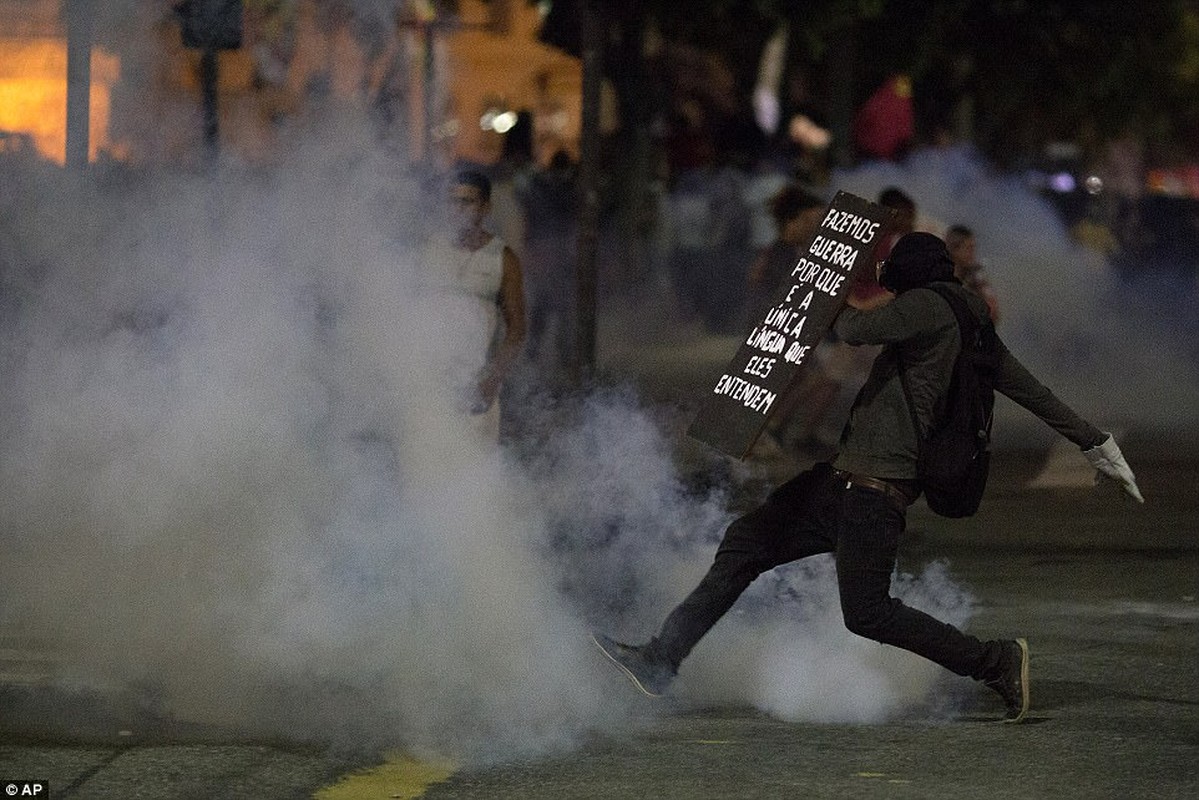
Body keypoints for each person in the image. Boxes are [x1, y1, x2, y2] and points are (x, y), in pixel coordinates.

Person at [593, 232, 1143, 723]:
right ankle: (662, 659)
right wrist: (1096, 444)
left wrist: (821, 282)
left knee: (869, 613)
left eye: (890, 272)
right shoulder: (972, 324)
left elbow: (855, 327)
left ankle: (995, 661)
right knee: (747, 541)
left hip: (872, 491)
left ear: (908, 274)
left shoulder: (928, 305)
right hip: (844, 482)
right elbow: (1033, 392)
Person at [419, 169, 527, 441]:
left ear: (486, 208)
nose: (459, 209)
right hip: (427, 383)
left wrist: (491, 381)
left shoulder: (503, 258)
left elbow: (516, 329)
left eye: (468, 201)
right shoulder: (428, 249)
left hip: (474, 387)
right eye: (453, 201)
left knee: (474, 468)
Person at [945, 224, 1000, 323]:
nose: (972, 254)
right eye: (969, 248)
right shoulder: (942, 274)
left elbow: (993, 312)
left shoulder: (975, 277)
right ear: (955, 249)